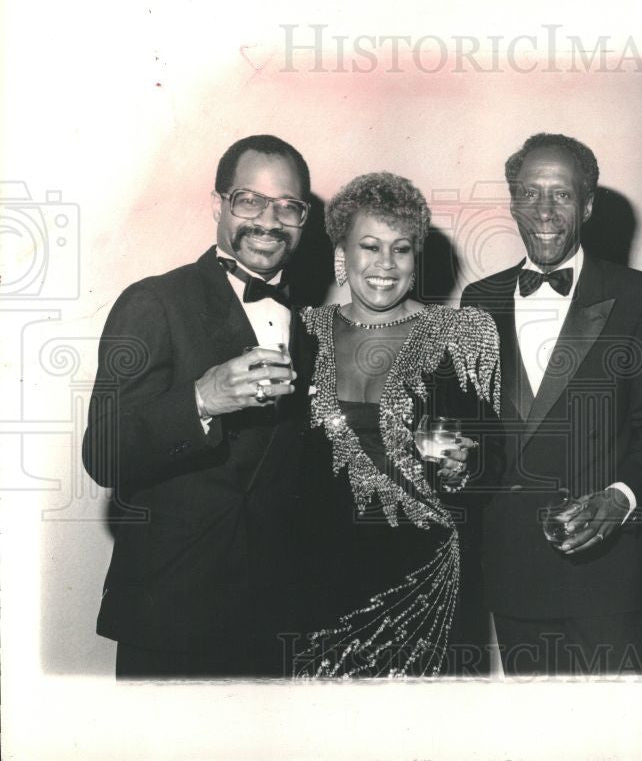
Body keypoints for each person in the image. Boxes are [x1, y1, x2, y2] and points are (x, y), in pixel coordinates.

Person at [82, 134, 316, 677]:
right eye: (249, 200)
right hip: (171, 612)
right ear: (218, 206)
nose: (268, 220)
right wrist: (201, 399)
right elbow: (103, 455)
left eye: (287, 206)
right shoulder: (153, 301)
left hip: (273, 619)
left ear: (303, 220)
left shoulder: (308, 324)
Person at [461, 133, 642, 675]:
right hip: (513, 570)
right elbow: (474, 430)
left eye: (561, 194)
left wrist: (621, 497)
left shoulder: (639, 295)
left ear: (588, 204)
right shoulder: (477, 300)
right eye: (530, 194)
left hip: (605, 572)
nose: (545, 211)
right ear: (511, 203)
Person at [291, 172, 500, 678]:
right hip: (321, 579)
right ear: (343, 251)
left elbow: (494, 458)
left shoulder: (461, 333)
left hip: (426, 573)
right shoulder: (301, 332)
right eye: (370, 246)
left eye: (401, 249)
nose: (385, 265)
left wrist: (465, 467)